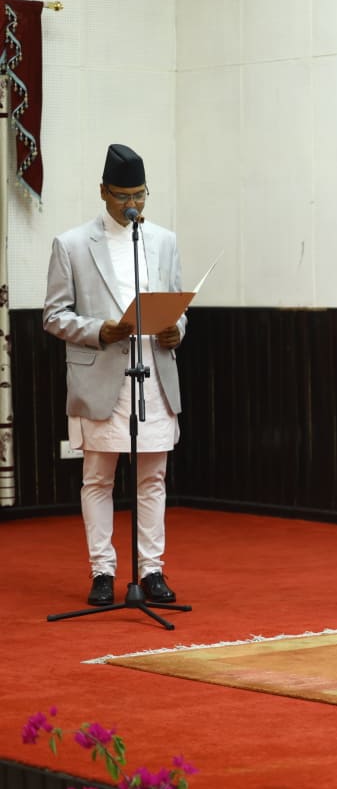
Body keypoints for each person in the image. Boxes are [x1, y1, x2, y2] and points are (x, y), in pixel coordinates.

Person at [42, 144, 187, 606]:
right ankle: (102, 572)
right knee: (98, 478)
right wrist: (99, 330)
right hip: (103, 373)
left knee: (153, 478)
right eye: (123, 195)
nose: (133, 205)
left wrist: (176, 331)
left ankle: (152, 571)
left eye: (140, 195)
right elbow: (53, 315)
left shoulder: (163, 240)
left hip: (154, 376)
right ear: (103, 191)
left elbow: (179, 308)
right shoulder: (71, 244)